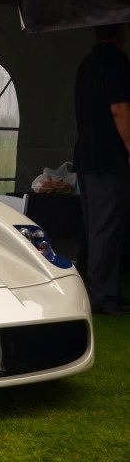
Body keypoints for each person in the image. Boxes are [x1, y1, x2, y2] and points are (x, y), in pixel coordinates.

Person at [74, 23, 130, 316]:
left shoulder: (86, 64)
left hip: (88, 156)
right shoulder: (117, 62)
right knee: (105, 229)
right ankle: (101, 297)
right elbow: (119, 108)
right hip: (108, 159)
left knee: (97, 227)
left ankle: (106, 291)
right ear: (121, 31)